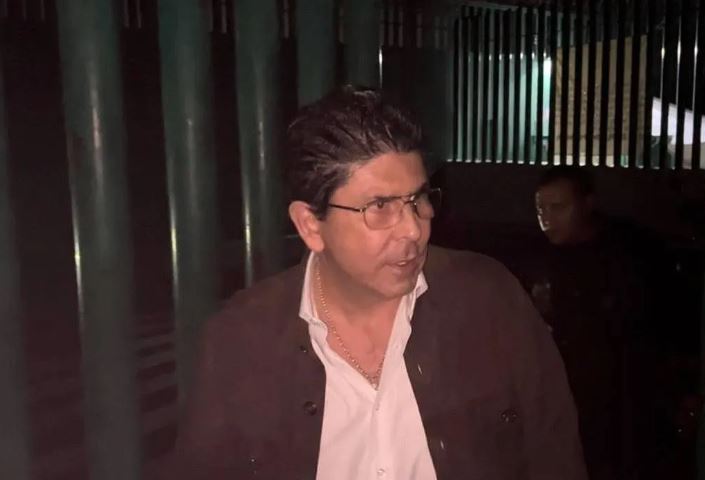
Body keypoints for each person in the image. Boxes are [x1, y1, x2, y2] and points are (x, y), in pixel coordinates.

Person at [160, 86, 586, 479]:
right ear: (310, 225)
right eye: (380, 206)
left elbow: (556, 453)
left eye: (418, 199)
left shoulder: (488, 300)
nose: (414, 229)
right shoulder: (240, 340)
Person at [532, 166, 653, 480]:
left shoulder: (625, 256)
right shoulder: (541, 253)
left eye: (558, 207)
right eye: (541, 209)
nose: (547, 218)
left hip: (618, 395)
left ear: (587, 204)